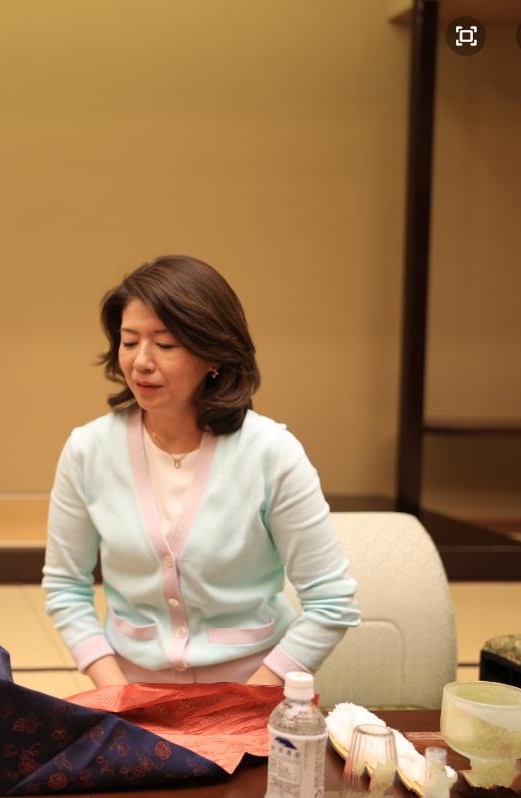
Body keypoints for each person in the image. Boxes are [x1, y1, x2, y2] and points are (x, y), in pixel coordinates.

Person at [43, 255, 359, 687]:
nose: (140, 362)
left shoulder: (271, 453)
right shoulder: (88, 450)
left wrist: (246, 704)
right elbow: (66, 587)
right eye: (129, 341)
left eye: (165, 345)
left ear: (213, 355)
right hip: (134, 692)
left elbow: (332, 602)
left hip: (251, 688)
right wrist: (119, 694)